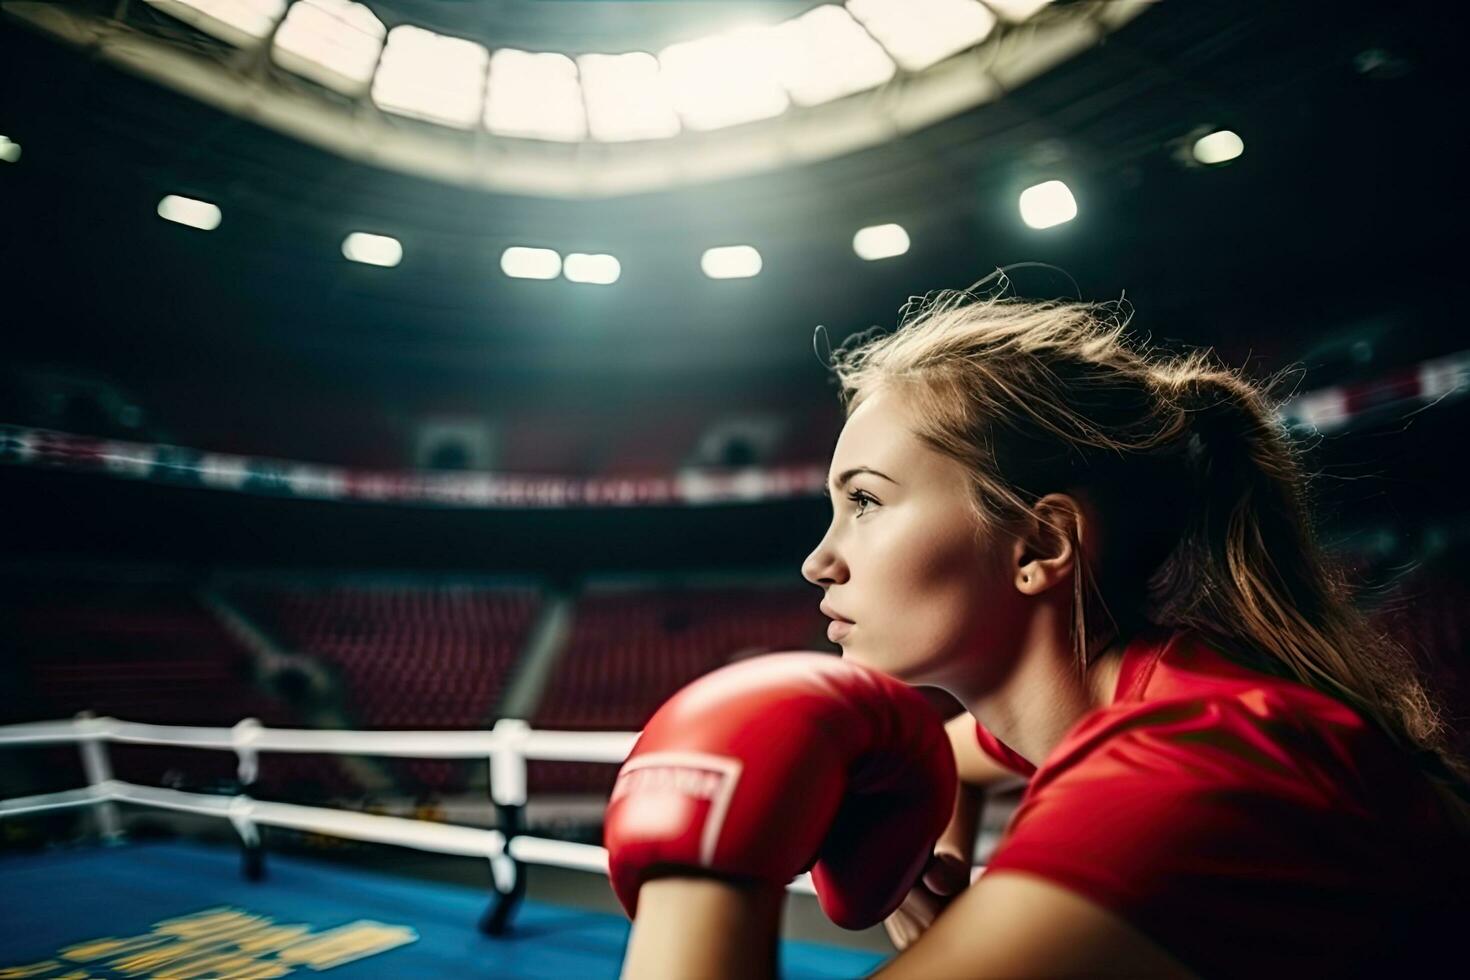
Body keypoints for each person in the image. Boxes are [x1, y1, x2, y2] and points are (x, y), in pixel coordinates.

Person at [606, 285, 1470, 978]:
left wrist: (701, 871)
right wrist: (929, 848)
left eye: (865, 501)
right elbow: (960, 749)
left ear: (1042, 544)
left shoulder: (1188, 767)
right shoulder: (1146, 694)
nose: (818, 562)